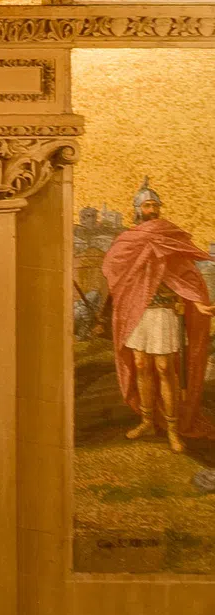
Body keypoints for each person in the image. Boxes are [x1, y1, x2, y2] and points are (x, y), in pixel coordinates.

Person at [104, 181, 213, 455]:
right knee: (141, 364)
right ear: (137, 210)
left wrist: (197, 302)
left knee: (165, 368)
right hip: (137, 311)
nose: (152, 209)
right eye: (147, 205)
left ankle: (173, 430)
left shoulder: (169, 237)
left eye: (155, 205)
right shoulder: (127, 240)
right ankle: (147, 421)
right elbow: (115, 271)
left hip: (163, 311)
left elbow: (184, 273)